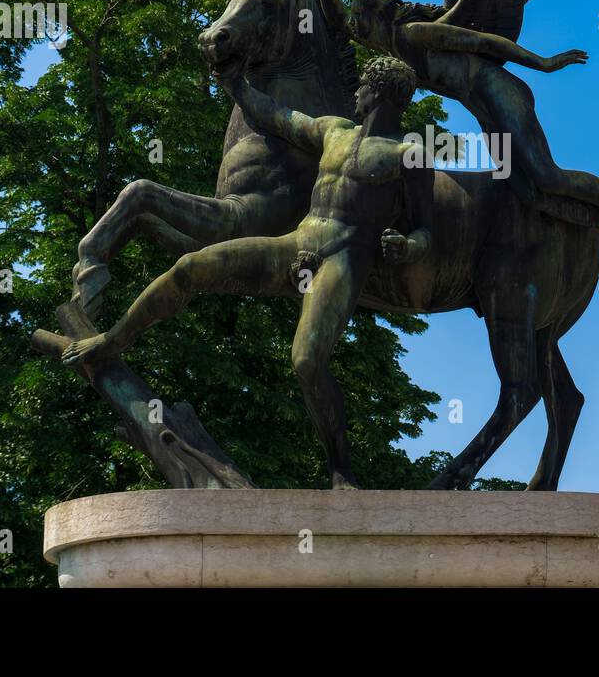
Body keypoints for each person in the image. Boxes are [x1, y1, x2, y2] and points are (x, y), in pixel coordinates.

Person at [61, 56, 433, 489]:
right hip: (296, 244)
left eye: (363, 87)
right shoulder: (334, 131)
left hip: (342, 260)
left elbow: (426, 230)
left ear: (376, 92)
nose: (356, 94)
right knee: (191, 267)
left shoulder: (409, 154)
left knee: (307, 361)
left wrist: (408, 246)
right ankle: (110, 340)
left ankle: (341, 471)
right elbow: (276, 116)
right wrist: (235, 85)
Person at [315, 0, 599, 249]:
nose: (358, 31)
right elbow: (338, 21)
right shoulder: (389, 45)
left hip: (497, 91)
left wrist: (544, 63)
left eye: (362, 22)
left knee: (546, 176)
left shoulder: (415, 33)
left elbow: (486, 43)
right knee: (529, 195)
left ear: (379, 16)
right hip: (481, 108)